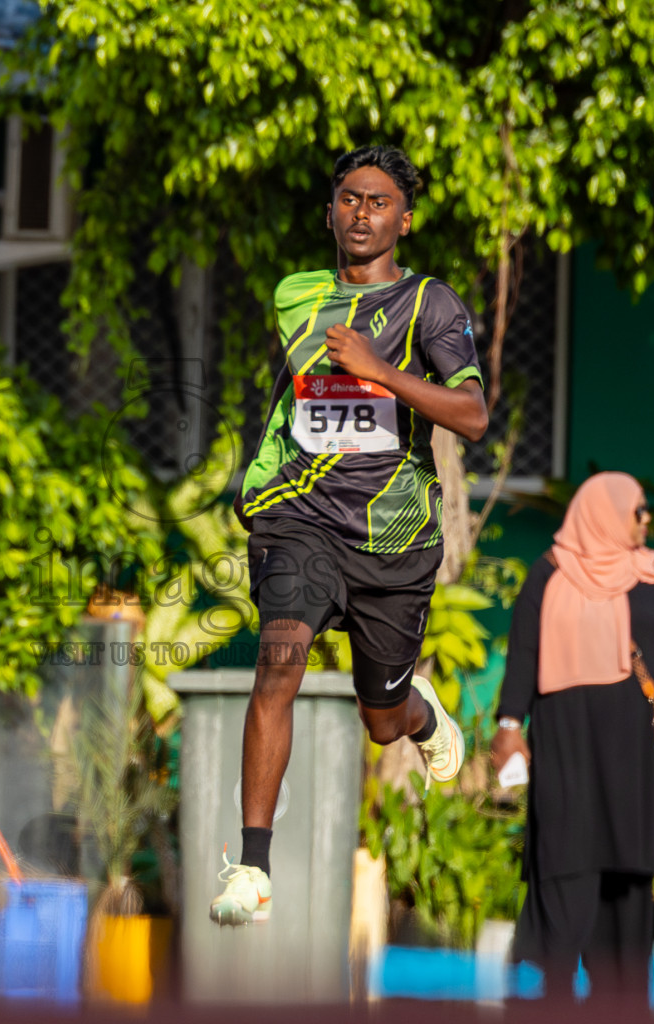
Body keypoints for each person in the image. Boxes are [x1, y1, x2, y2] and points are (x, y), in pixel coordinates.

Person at [210, 145, 489, 926]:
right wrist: (260, 483)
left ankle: (417, 714)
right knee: (278, 667)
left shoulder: (432, 304)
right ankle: (253, 869)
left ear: (406, 217)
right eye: (349, 199)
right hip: (301, 517)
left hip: (393, 537)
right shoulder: (297, 295)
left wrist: (378, 368)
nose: (362, 213)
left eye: (379, 202)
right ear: (330, 211)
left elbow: (471, 416)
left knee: (379, 722)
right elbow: (293, 393)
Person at [491, 472, 654, 1004]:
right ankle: (555, 990)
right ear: (603, 512)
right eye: (636, 512)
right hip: (566, 743)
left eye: (643, 512)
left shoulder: (650, 575)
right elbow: (523, 655)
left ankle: (625, 997)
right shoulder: (548, 575)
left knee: (629, 865)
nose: (645, 521)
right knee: (567, 853)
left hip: (633, 752)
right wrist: (508, 725)